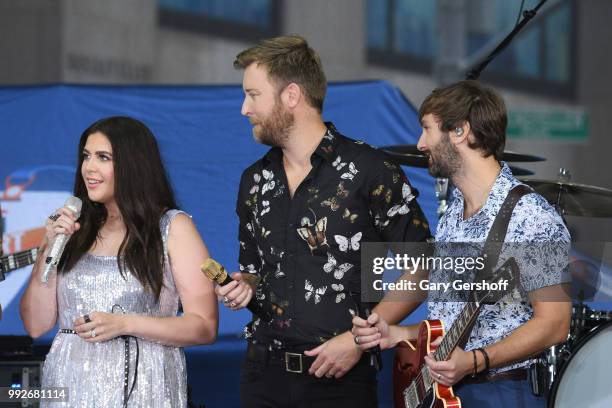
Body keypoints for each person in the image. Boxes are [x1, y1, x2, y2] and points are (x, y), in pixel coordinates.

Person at [215, 35, 431, 408]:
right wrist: (244, 285)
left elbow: (425, 265)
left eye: (253, 95)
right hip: (261, 374)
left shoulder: (370, 169)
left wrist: (358, 339)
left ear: (292, 95)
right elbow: (253, 271)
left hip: (340, 379)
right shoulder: (254, 179)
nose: (244, 109)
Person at [352, 80, 571, 407]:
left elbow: (555, 324)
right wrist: (401, 333)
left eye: (427, 129)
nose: (420, 143)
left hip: (502, 391)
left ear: (460, 131)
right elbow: (452, 320)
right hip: (450, 390)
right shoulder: (454, 213)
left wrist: (476, 360)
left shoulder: (531, 217)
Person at [20, 116, 218, 407]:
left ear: (133, 165)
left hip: (143, 389)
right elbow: (36, 325)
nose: (89, 167)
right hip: (68, 389)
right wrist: (46, 250)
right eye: (86, 156)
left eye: (103, 157)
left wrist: (125, 323)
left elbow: (204, 326)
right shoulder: (73, 229)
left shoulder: (172, 227)